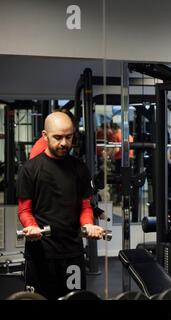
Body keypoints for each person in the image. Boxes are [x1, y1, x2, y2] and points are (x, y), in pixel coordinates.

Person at [16, 111, 105, 300]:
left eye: (68, 137)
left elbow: (85, 206)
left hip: (72, 252)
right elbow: (24, 210)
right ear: (45, 135)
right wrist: (30, 226)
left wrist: (88, 224)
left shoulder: (80, 168)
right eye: (58, 137)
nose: (64, 143)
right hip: (41, 253)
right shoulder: (30, 169)